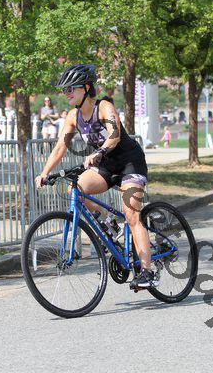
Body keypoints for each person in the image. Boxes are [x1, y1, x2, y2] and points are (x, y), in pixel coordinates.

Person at [34, 64, 157, 288]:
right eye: (64, 90)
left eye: (71, 88)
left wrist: (98, 152)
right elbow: (60, 146)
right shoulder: (73, 116)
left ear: (86, 88)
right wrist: (44, 172)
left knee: (132, 215)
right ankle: (109, 222)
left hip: (129, 163)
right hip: (106, 165)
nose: (66, 93)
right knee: (75, 190)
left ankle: (147, 271)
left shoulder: (103, 107)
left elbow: (115, 134)